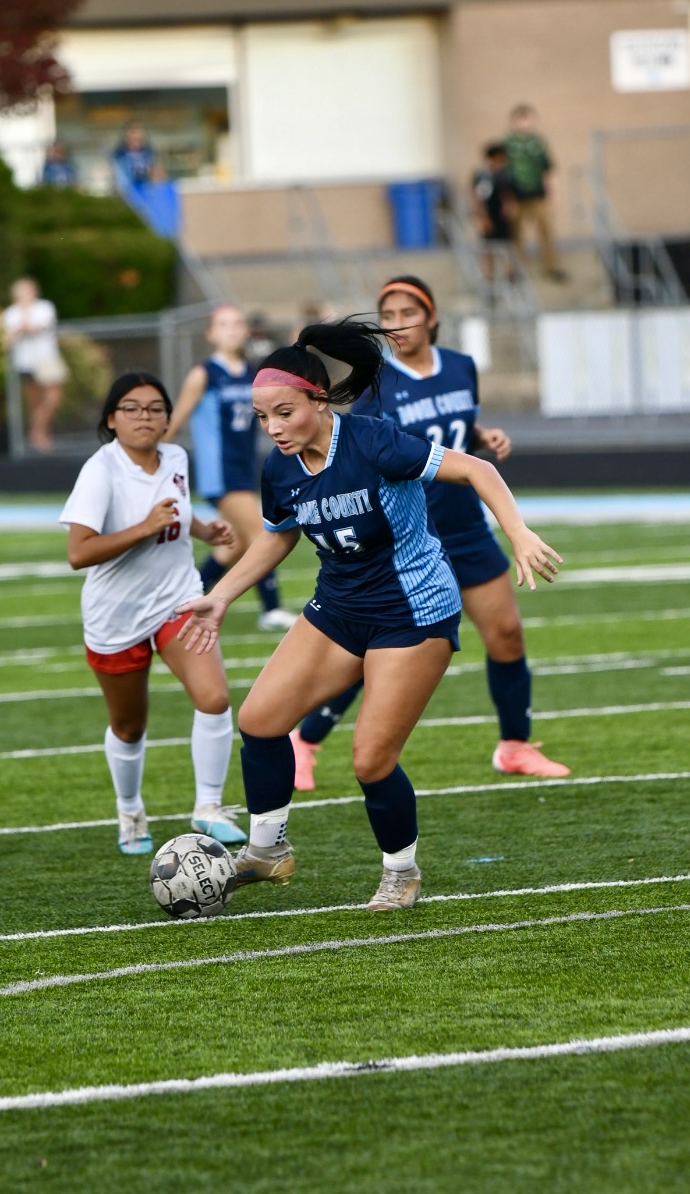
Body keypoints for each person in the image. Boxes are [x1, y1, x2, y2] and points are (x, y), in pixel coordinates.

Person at [176, 321, 562, 910]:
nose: (274, 428)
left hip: (412, 610)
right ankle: (267, 850)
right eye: (262, 418)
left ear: (319, 398)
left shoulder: (374, 441)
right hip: (339, 606)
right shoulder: (280, 468)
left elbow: (477, 469)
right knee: (259, 720)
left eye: (284, 412)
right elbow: (278, 536)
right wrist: (223, 594)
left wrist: (519, 533)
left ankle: (400, 871)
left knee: (370, 758)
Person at [290, 276, 569, 792]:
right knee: (369, 652)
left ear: (433, 316)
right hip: (409, 540)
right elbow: (357, 448)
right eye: (387, 315)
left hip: (465, 525)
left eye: (406, 313)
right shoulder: (374, 382)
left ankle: (515, 746)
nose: (396, 324)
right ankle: (305, 743)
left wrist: (483, 435)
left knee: (507, 635)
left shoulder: (461, 367)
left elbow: (457, 426)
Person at [59, 370, 247, 854]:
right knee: (129, 726)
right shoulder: (101, 471)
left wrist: (206, 532)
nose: (145, 417)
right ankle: (130, 812)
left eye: (155, 408)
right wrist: (144, 527)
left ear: (167, 418)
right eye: (132, 408)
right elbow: (79, 553)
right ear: (111, 419)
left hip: (177, 599)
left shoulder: (176, 457)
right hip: (115, 615)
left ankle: (208, 808)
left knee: (214, 698)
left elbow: (176, 512)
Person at [162, 303, 298, 632]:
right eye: (224, 325)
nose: (232, 330)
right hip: (219, 473)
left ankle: (176, 603)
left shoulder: (254, 373)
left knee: (232, 547)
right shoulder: (203, 374)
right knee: (262, 534)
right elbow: (175, 420)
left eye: (237, 323)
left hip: (244, 469)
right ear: (211, 333)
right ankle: (271, 608)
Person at [2, 277, 67, 453]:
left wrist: (20, 327)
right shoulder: (10, 312)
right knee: (34, 401)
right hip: (25, 361)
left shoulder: (45, 307)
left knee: (54, 397)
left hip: (46, 358)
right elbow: (8, 337)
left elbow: (35, 327)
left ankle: (36, 430)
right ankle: (42, 436)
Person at [504, 104, 567, 282]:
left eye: (527, 119)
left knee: (546, 231)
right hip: (516, 196)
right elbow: (503, 174)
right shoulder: (507, 144)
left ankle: (551, 267)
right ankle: (519, 270)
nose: (524, 124)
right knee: (516, 235)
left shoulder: (538, 143)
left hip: (538, 195)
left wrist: (553, 194)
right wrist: (508, 199)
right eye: (520, 120)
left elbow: (548, 170)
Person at [471, 142, 517, 283]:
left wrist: (509, 207)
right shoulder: (483, 176)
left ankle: (509, 275)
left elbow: (508, 194)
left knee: (505, 246)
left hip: (501, 217)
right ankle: (488, 277)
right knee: (487, 248)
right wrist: (483, 218)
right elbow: (478, 198)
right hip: (489, 216)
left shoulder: (504, 175)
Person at [112, 122, 156, 188]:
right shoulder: (118, 156)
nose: (136, 135)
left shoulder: (149, 155)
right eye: (133, 132)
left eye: (139, 131)